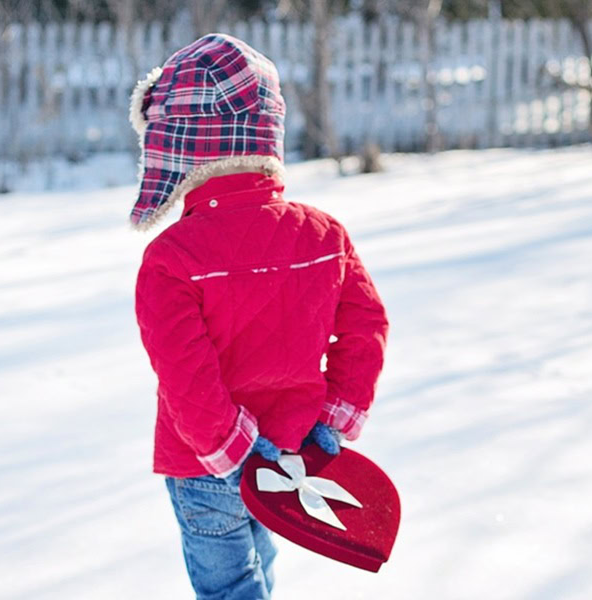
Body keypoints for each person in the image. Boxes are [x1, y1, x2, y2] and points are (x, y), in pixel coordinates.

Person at [129, 33, 389, 599]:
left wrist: (232, 448)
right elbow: (366, 330)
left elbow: (184, 373)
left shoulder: (172, 258)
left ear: (181, 147)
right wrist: (329, 426)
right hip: (290, 454)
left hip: (203, 465)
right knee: (257, 572)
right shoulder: (324, 234)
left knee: (230, 588)